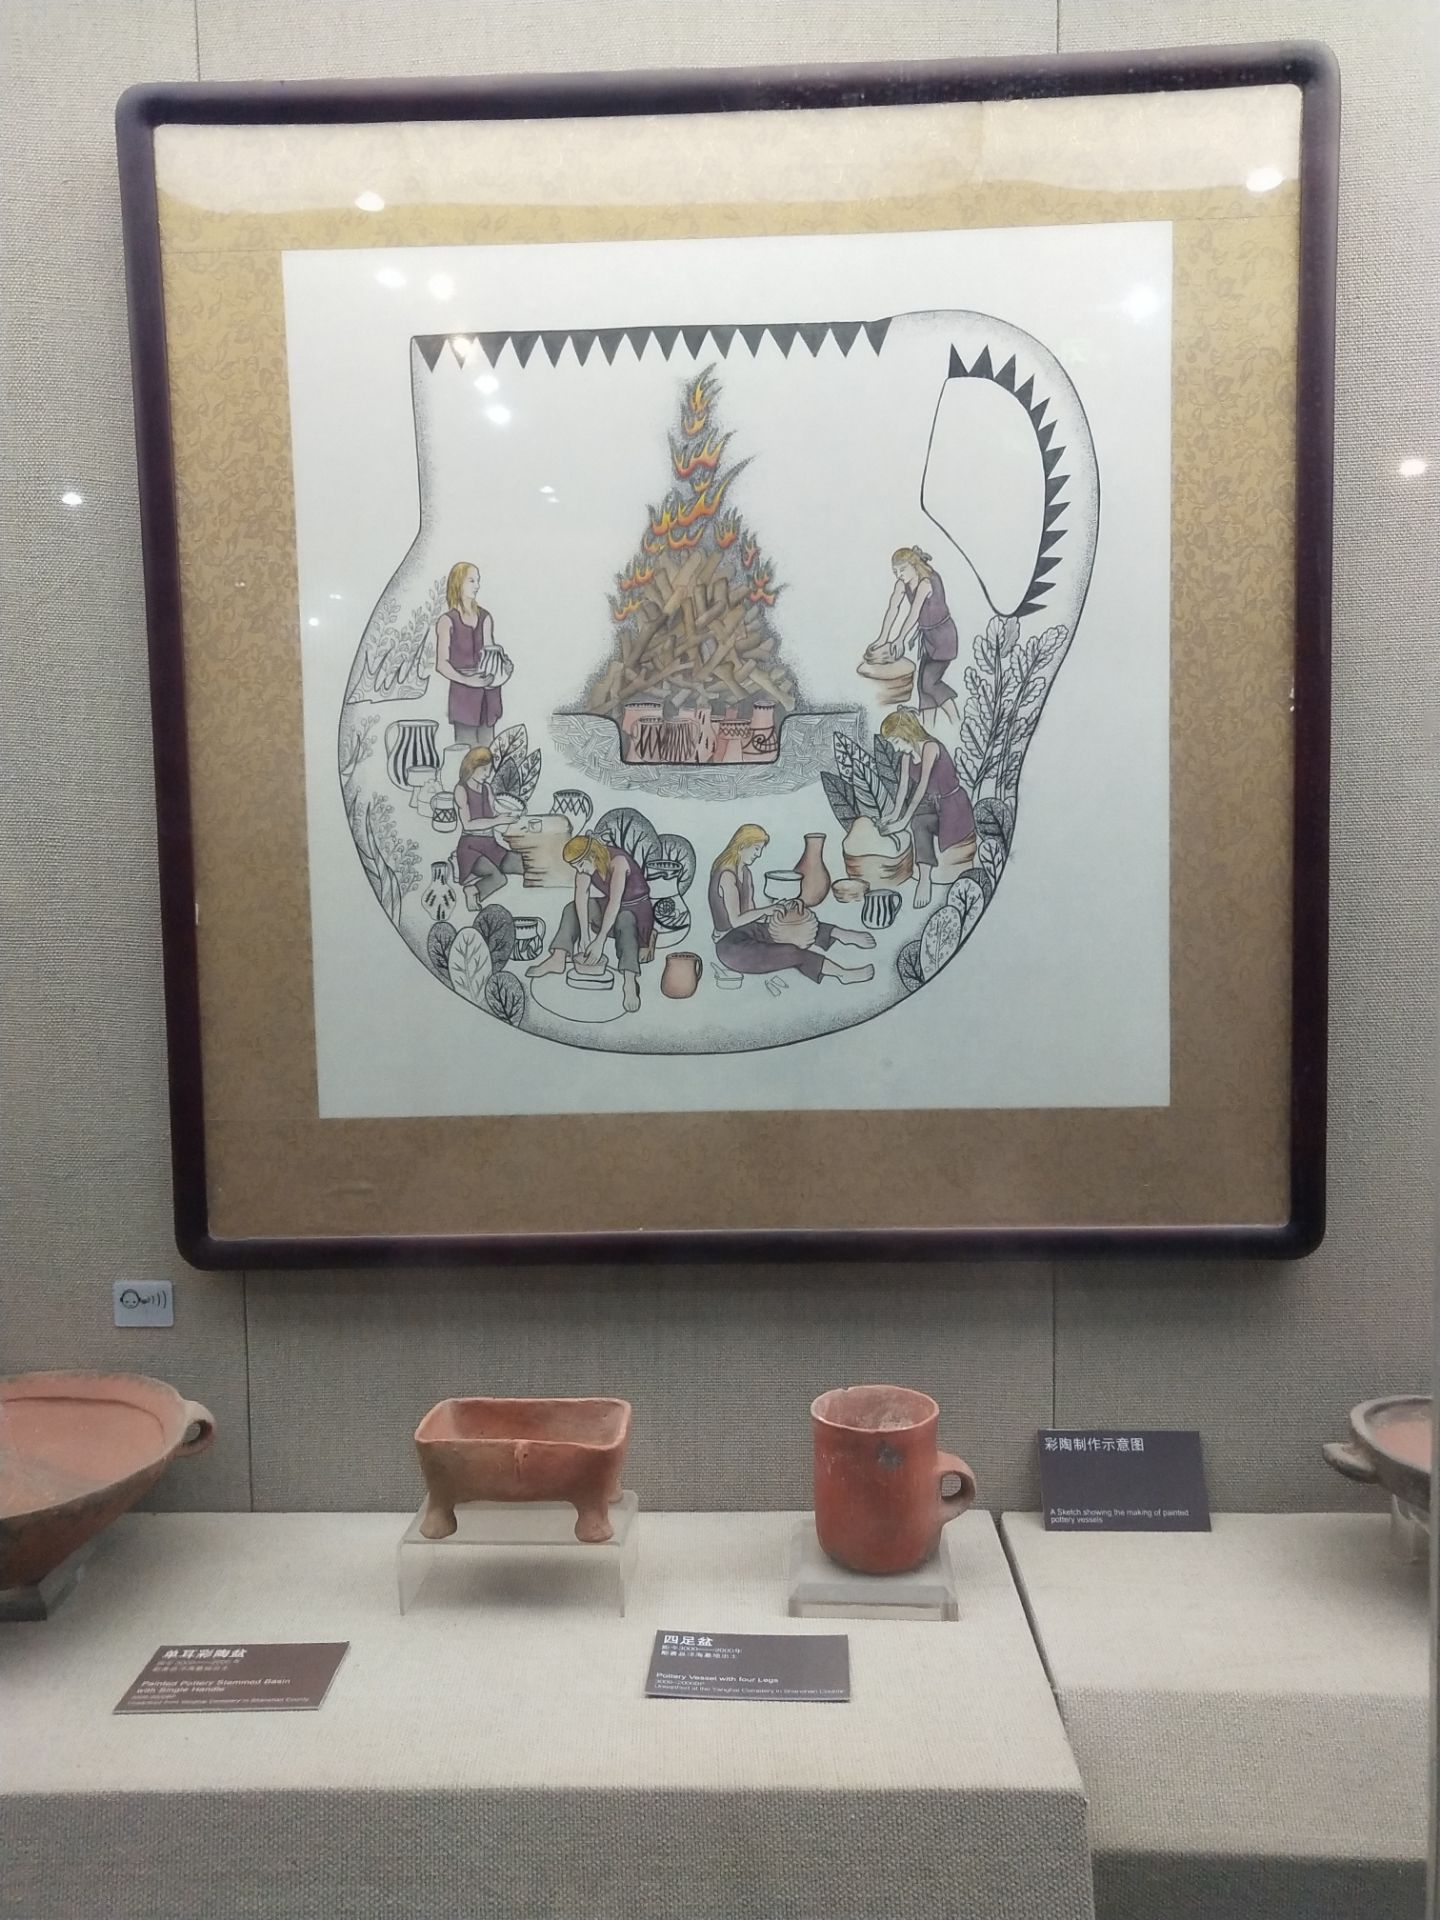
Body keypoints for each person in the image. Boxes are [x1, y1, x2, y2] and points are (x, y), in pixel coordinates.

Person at [708, 824, 875, 985]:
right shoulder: (727, 875)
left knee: (794, 924)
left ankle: (843, 935)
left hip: (746, 931)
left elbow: (750, 914)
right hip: (731, 947)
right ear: (743, 845)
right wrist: (767, 910)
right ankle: (842, 974)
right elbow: (736, 920)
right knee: (790, 952)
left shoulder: (745, 872)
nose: (758, 854)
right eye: (756, 849)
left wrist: (778, 911)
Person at [526, 835, 654, 1014]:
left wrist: (600, 940)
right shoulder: (585, 868)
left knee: (625, 919)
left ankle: (630, 981)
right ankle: (558, 958)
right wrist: (585, 935)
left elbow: (615, 903)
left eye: (580, 864)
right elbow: (581, 897)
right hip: (610, 908)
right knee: (571, 908)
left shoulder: (618, 862)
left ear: (593, 856)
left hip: (636, 912)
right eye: (575, 867)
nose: (579, 870)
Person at [878, 709, 977, 910]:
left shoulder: (930, 747)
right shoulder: (906, 757)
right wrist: (894, 815)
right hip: (930, 804)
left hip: (952, 805)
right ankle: (925, 878)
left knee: (916, 821)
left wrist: (902, 822)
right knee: (919, 823)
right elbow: (903, 787)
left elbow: (922, 786)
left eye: (896, 741)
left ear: (907, 733)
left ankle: (925, 881)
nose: (896, 748)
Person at [869, 546, 961, 730]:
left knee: (929, 683)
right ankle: (929, 728)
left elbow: (914, 613)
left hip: (944, 637)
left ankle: (956, 720)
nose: (899, 575)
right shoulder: (902, 584)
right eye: (895, 572)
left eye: (902, 570)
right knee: (923, 687)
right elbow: (893, 609)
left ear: (913, 565)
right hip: (928, 639)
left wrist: (900, 639)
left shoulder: (926, 582)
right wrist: (883, 638)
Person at [434, 561, 512, 747]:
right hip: (464, 697)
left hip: (488, 696)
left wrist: (504, 668)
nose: (477, 585)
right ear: (458, 583)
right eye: (472, 581)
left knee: (487, 752)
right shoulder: (447, 621)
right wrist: (468, 680)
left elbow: (490, 653)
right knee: (466, 753)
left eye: (478, 580)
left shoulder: (485, 617)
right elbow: (441, 664)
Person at [452, 746, 522, 907]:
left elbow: (494, 813)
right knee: (498, 878)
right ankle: (472, 891)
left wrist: (509, 818)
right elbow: (468, 825)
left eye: (489, 770)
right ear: (471, 766)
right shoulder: (461, 789)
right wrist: (498, 821)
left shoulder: (487, 788)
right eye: (484, 769)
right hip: (471, 848)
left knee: (522, 863)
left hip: (491, 845)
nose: (487, 774)